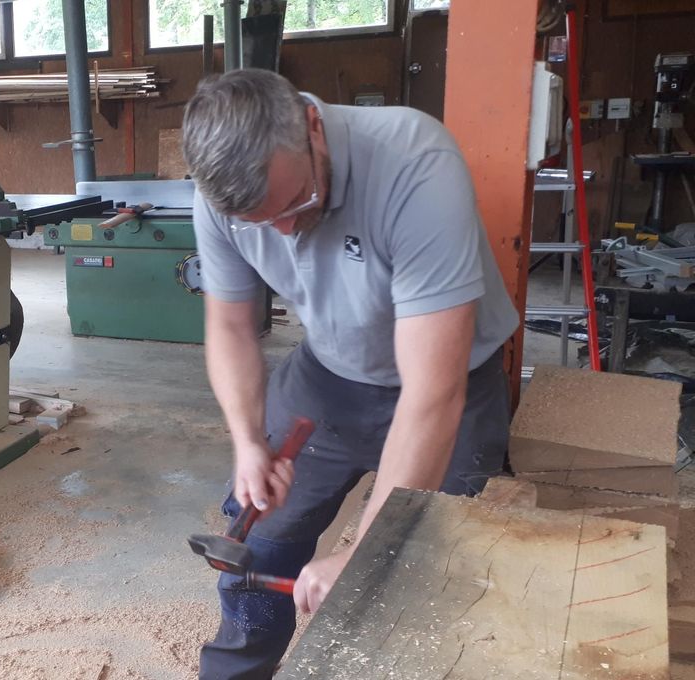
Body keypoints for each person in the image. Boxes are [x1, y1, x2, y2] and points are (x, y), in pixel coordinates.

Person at [182, 68, 521, 679]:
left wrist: (361, 552)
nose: (284, 232)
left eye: (295, 205)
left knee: (420, 570)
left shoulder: (415, 162)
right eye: (262, 222)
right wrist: (248, 443)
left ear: (313, 126)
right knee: (255, 541)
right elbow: (230, 328)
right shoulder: (219, 197)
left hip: (450, 385)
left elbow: (432, 392)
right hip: (328, 372)